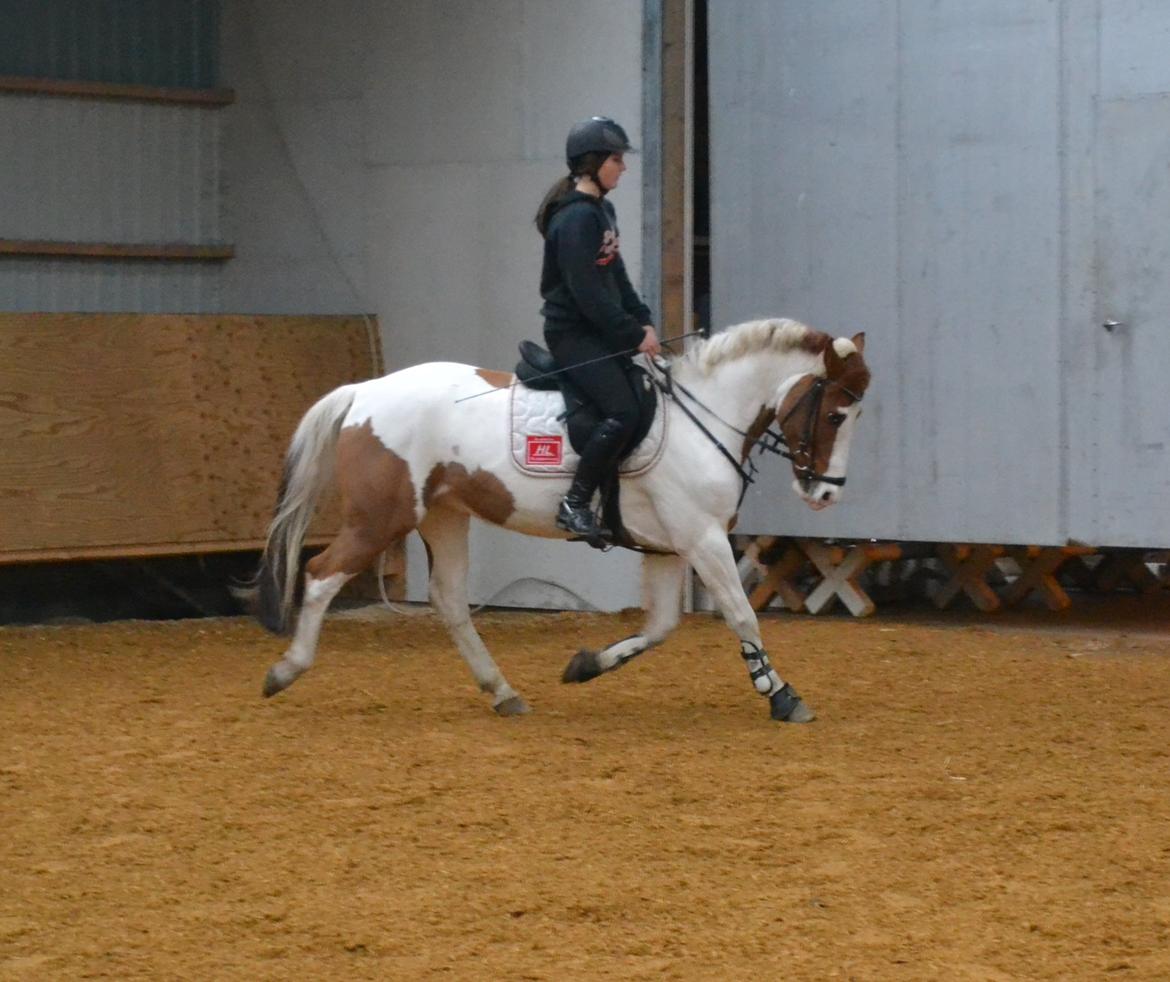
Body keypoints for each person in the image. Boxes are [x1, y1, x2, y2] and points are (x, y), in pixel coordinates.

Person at [535, 116, 662, 544]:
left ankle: (614, 509)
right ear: (592, 163)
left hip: (600, 332)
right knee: (622, 411)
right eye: (616, 159)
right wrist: (631, 334)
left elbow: (616, 275)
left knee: (641, 400)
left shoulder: (601, 211)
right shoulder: (574, 220)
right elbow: (587, 294)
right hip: (573, 335)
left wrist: (642, 317)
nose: (622, 167)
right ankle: (574, 503)